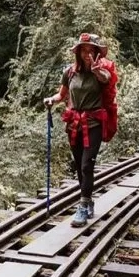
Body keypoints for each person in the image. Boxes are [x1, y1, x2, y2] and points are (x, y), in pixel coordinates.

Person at [44, 33, 113, 227]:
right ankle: (88, 200)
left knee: (86, 165)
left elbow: (106, 79)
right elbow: (61, 94)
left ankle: (82, 207)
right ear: (79, 51)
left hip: (94, 123)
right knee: (79, 166)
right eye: (84, 49)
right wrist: (52, 100)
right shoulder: (70, 72)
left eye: (91, 49)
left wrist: (96, 70)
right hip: (74, 122)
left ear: (97, 52)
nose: (87, 53)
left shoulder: (103, 71)